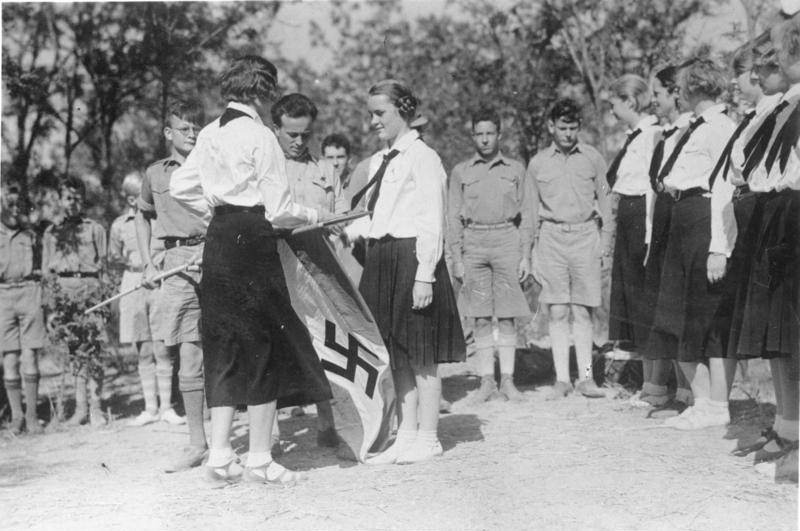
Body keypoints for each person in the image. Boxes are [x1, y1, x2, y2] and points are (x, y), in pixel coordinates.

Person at [170, 55, 332, 486]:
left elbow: (179, 187)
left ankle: (220, 456)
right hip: (253, 239)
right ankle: (260, 460)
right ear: (262, 92)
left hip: (219, 239)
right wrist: (312, 213)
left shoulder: (207, 133)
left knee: (223, 345)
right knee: (264, 345)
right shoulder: (261, 135)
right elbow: (279, 211)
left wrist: (215, 213)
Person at [344, 79, 465, 464]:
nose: (373, 122)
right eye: (371, 115)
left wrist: (425, 274)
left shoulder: (423, 156)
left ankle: (429, 436)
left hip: (413, 258)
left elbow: (431, 218)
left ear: (404, 109)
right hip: (382, 258)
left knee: (421, 351)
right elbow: (378, 218)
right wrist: (346, 229)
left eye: (380, 114)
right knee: (396, 350)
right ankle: (407, 433)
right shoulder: (381, 160)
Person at [646, 59, 738, 430]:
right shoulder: (693, 127)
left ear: (698, 86)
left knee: (705, 317)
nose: (677, 91)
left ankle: (714, 405)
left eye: (682, 85)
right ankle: (703, 401)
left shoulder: (720, 127)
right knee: (673, 315)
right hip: (681, 219)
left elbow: (725, 187)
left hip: (704, 221)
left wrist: (719, 247)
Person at [731, 15, 800, 483]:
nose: (763, 70)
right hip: (778, 215)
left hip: (793, 213)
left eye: (779, 54)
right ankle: (791, 431)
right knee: (784, 339)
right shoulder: (787, 106)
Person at [136, 101, 208, 472]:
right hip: (177, 262)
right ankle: (197, 443)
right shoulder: (154, 173)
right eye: (185, 128)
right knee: (188, 351)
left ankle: (260, 437)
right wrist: (150, 261)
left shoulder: (211, 164)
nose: (192, 134)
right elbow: (142, 214)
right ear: (169, 133)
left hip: (214, 255)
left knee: (233, 343)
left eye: (196, 127)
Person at [526, 98, 612, 399]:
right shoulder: (537, 163)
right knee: (558, 310)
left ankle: (586, 379)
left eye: (573, 128)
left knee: (583, 311)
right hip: (551, 238)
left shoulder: (593, 158)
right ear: (551, 127)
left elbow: (606, 202)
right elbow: (529, 211)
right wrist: (530, 252)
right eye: (562, 128)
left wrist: (606, 244)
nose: (568, 134)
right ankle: (562, 379)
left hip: (586, 235)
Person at [448, 107, 531, 402]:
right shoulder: (461, 171)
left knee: (507, 315)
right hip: (474, 242)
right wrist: (456, 257)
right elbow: (453, 218)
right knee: (480, 317)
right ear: (473, 136)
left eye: (489, 133)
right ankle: (486, 382)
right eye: (479, 134)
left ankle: (507, 380)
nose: (484, 140)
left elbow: (529, 215)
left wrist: (525, 255)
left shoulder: (515, 169)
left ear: (499, 135)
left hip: (507, 238)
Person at [272, 93, 340, 449]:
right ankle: (270, 433)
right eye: (291, 135)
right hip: (275, 265)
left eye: (305, 135)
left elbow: (339, 215)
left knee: (324, 343)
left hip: (318, 269)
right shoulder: (265, 170)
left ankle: (328, 422)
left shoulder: (324, 170)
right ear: (276, 129)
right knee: (275, 346)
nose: (299, 142)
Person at [639, 62, 697, 418]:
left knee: (684, 307)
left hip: (683, 222)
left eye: (658, 94)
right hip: (661, 224)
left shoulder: (691, 130)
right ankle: (674, 389)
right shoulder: (665, 134)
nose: (654, 101)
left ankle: (691, 393)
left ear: (676, 92)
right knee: (666, 306)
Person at [109, 173, 182, 427]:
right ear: (131, 199)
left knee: (163, 347)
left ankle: (166, 408)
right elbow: (114, 256)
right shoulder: (119, 225)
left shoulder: (161, 220)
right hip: (133, 286)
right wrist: (130, 263)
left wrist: (162, 262)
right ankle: (150, 408)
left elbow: (173, 248)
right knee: (144, 349)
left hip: (161, 282)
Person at [604, 74, 660, 399]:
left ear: (630, 101)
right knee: (630, 301)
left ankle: (655, 384)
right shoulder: (634, 137)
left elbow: (652, 187)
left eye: (615, 100)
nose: (611, 106)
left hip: (642, 220)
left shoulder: (652, 136)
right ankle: (645, 381)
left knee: (644, 302)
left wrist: (650, 235)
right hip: (628, 218)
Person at [42, 176, 108, 427]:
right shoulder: (52, 233)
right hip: (65, 294)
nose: (72, 203)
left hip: (90, 289)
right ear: (60, 200)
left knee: (94, 349)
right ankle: (80, 408)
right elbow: (48, 275)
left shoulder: (95, 228)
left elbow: (104, 268)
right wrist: (51, 309)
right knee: (75, 351)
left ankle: (96, 407)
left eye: (77, 198)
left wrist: (104, 303)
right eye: (68, 198)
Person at [1, 185, 45, 434]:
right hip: (3, 295)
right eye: (10, 204)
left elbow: (42, 265)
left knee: (30, 355)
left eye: (19, 205)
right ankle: (16, 417)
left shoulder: (31, 236)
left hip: (29, 292)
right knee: (9, 358)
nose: (15, 210)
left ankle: (31, 416)